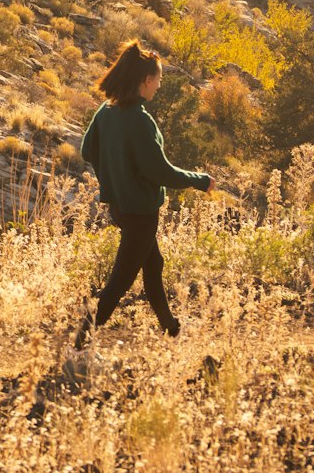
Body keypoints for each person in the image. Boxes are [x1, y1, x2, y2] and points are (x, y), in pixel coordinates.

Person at [76, 40, 212, 349]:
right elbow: (160, 172)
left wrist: (112, 175)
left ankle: (171, 328)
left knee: (153, 265)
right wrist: (198, 180)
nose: (160, 86)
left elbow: (87, 150)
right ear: (145, 81)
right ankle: (80, 343)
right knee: (118, 284)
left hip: (121, 208)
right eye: (158, 79)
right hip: (140, 214)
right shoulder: (140, 120)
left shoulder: (106, 111)